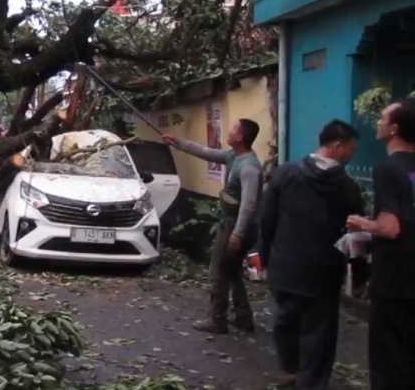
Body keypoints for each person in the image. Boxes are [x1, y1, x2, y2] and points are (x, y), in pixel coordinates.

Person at [259, 119, 364, 389]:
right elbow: (356, 236)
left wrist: (264, 256)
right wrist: (359, 272)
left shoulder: (286, 173)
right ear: (337, 145)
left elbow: (267, 219)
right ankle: (311, 382)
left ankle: (291, 368)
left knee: (286, 321)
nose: (351, 156)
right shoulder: (347, 188)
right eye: (350, 150)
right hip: (324, 272)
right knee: (320, 333)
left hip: (286, 267)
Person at [162, 119, 263, 334]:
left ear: (241, 137)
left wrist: (237, 234)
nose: (229, 131)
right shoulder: (233, 156)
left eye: (234, 128)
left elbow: (249, 204)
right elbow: (206, 152)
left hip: (235, 226)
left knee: (217, 271)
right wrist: (178, 142)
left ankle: (217, 319)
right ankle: (244, 317)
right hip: (232, 224)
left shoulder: (249, 169)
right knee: (233, 271)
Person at [346, 98, 415, 390]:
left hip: (395, 280)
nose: (378, 121)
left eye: (383, 117)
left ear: (394, 128)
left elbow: (390, 228)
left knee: (389, 363)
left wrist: (361, 224)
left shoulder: (388, 169)